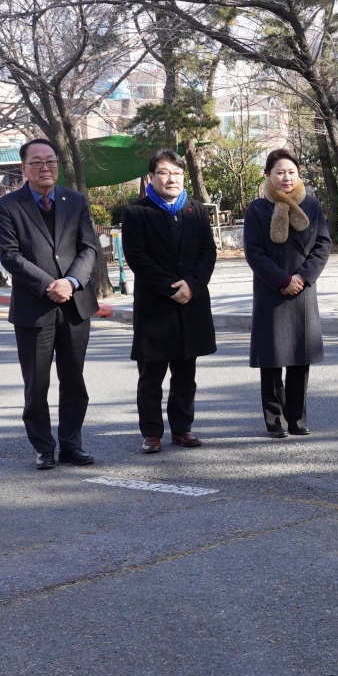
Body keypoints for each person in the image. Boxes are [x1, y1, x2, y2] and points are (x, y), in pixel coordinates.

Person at [0, 139, 102, 470]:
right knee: (37, 384)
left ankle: (72, 445)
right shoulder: (8, 205)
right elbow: (10, 255)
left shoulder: (75, 200)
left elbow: (88, 248)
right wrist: (48, 285)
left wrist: (70, 282)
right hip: (34, 308)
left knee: (74, 382)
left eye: (51, 162)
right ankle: (43, 447)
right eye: (37, 163)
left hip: (74, 305)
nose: (46, 168)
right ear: (24, 168)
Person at [121, 150, 216, 453]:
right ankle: (151, 433)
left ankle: (182, 428)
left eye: (176, 172)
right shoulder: (136, 212)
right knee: (151, 376)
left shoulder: (197, 210)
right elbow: (137, 257)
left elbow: (207, 253)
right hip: (155, 305)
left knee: (186, 375)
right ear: (151, 177)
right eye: (164, 172)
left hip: (192, 302)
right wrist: (170, 287)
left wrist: (192, 285)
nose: (171, 178)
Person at [244, 149, 331, 438]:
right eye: (279, 172)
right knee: (271, 360)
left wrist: (303, 278)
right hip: (272, 290)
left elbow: (322, 245)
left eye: (291, 171)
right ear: (268, 175)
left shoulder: (312, 204)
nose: (286, 177)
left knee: (299, 358)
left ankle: (297, 418)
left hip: (302, 291)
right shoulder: (257, 208)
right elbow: (254, 253)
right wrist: (282, 279)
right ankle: (275, 421)